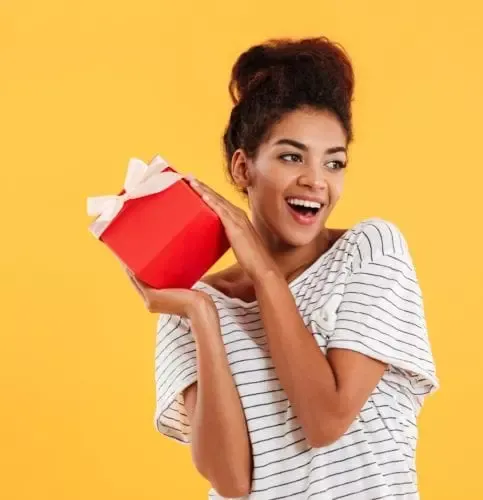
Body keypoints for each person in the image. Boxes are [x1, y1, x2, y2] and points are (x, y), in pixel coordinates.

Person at [125, 37, 439, 500]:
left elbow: (326, 419)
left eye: (334, 163)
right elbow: (231, 481)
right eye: (292, 156)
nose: (316, 180)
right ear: (242, 168)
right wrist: (202, 317)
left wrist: (266, 274)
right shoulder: (188, 304)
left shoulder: (370, 252)